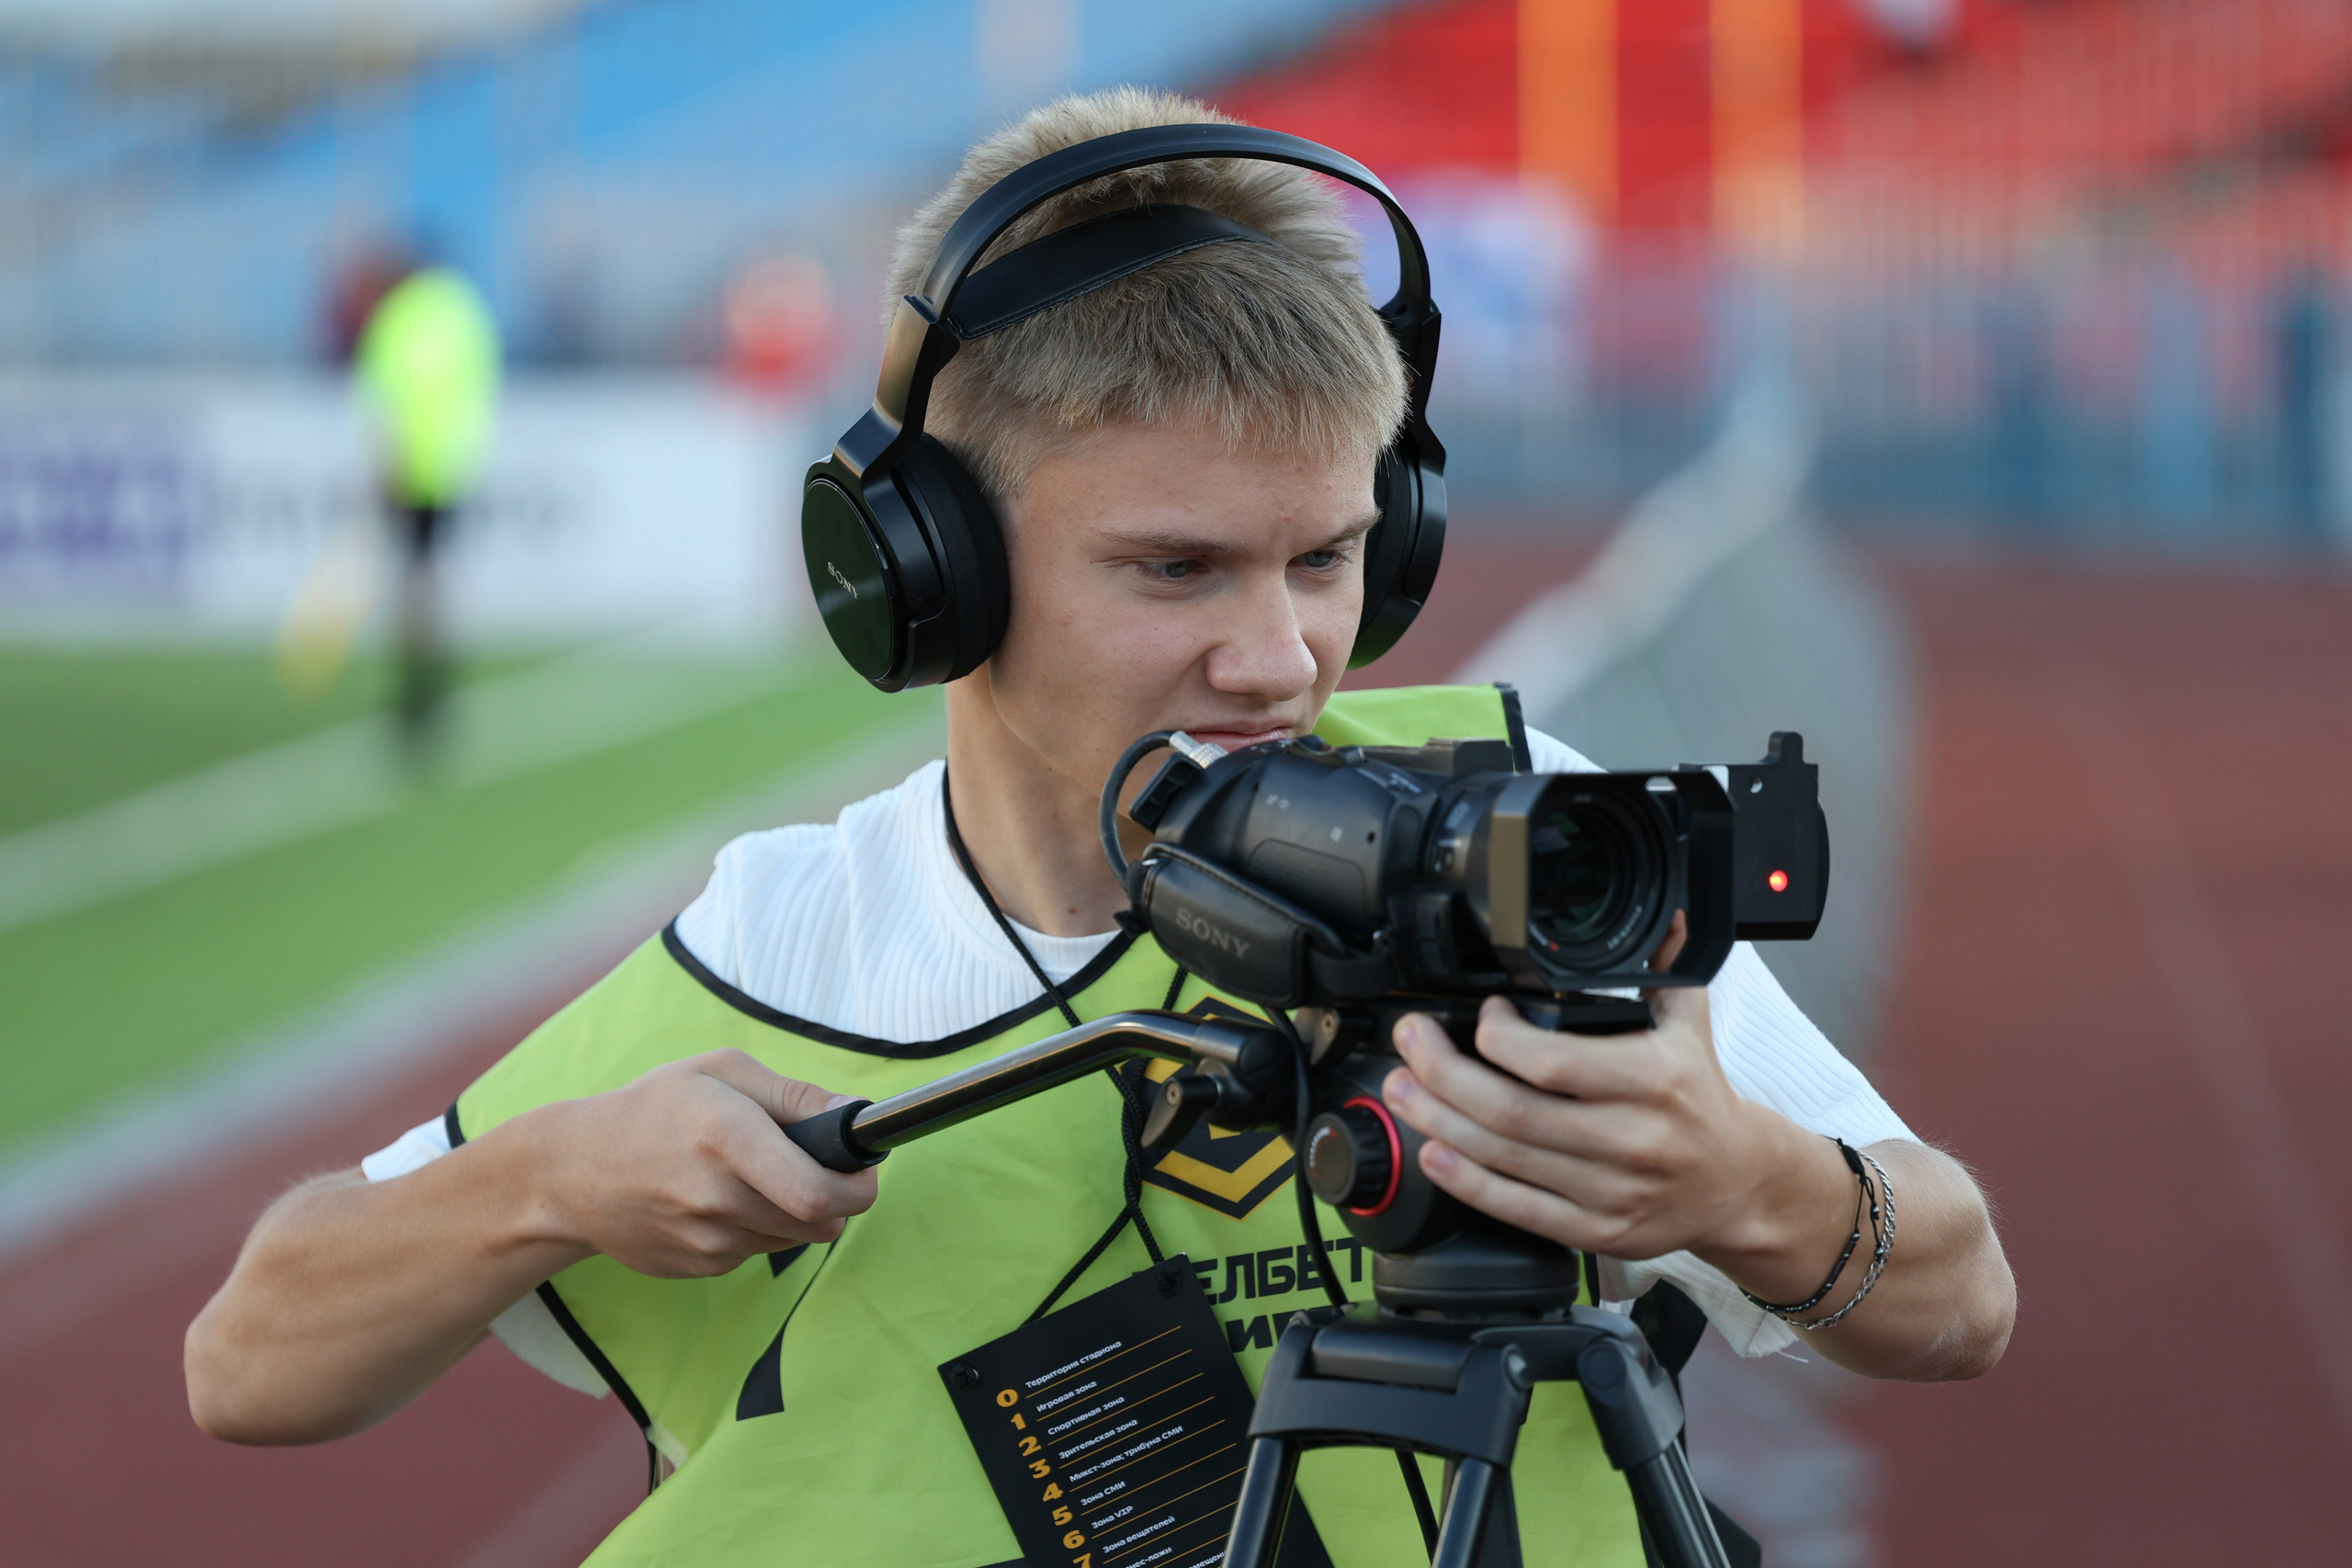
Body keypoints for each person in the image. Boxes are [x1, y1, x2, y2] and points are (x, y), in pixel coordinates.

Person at [187, 91, 2013, 1567]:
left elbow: (1957, 1295)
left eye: (1323, 557)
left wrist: (1740, 1186)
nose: (1276, 650)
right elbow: (250, 1360)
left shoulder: (1507, 820)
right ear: (932, 574)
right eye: (1171, 569)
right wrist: (549, 1177)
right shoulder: (800, 945)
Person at [354, 263, 501, 750]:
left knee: (414, 579)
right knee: (432, 580)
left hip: (412, 467)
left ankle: (415, 690)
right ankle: (433, 686)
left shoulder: (395, 321)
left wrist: (386, 467)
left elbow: (386, 401)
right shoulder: (462, 310)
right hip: (454, 465)